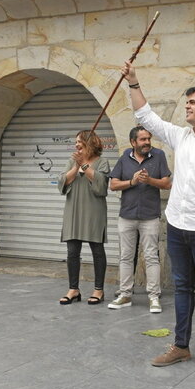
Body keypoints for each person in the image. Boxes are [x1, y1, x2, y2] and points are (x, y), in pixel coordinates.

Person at [121, 61, 195, 381]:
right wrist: (134, 82)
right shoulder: (181, 137)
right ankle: (181, 346)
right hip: (177, 226)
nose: (186, 106)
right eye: (187, 102)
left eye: (193, 102)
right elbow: (145, 116)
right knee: (181, 288)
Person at [107, 126, 172, 313]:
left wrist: (149, 180)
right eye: (143, 140)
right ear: (133, 142)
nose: (147, 143)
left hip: (149, 215)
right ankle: (125, 294)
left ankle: (153, 297)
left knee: (152, 256)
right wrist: (132, 182)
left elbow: (167, 183)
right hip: (126, 215)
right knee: (126, 257)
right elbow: (113, 184)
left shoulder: (158, 155)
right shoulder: (125, 157)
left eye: (148, 139)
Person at [57, 130, 111, 305]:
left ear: (90, 143)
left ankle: (98, 290)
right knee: (72, 252)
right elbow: (62, 181)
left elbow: (102, 185)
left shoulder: (102, 162)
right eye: (76, 142)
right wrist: (76, 166)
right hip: (73, 210)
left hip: (94, 211)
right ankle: (74, 289)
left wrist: (85, 166)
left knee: (97, 250)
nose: (76, 145)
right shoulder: (72, 161)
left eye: (80, 142)